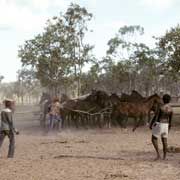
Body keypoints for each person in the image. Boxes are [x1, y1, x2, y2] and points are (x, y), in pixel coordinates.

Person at [150, 94, 173, 160]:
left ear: (163, 100)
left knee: (153, 138)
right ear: (169, 100)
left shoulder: (161, 107)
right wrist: (169, 128)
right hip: (166, 125)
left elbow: (156, 117)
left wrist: (152, 124)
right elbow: (170, 121)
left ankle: (158, 154)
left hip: (160, 124)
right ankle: (164, 157)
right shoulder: (171, 109)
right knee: (164, 141)